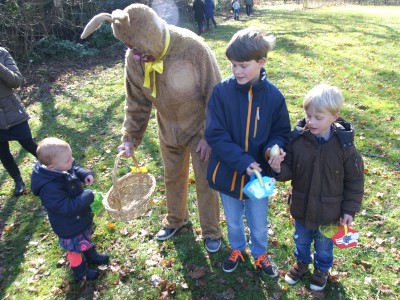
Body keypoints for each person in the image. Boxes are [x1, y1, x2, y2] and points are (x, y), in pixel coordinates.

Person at [80, 4, 222, 252]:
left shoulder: (193, 48)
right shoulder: (134, 59)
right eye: (128, 48)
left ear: (150, 36)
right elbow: (136, 101)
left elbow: (216, 94)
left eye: (136, 48)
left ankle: (211, 230)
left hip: (200, 130)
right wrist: (130, 137)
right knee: (172, 177)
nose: (134, 55)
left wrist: (211, 135)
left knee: (206, 182)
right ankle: (176, 219)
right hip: (168, 128)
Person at [205, 27, 291, 275]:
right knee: (233, 220)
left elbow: (281, 132)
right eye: (233, 65)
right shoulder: (221, 92)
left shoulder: (274, 97)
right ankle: (237, 248)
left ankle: (260, 253)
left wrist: (272, 152)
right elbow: (215, 134)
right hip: (227, 171)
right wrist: (242, 161)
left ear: (261, 62)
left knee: (259, 222)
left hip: (258, 178)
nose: (236, 71)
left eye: (243, 65)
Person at [268, 84, 364, 291]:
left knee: (324, 247)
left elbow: (355, 182)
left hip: (331, 212)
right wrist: (278, 169)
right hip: (302, 207)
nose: (311, 121)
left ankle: (322, 269)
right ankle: (302, 262)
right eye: (308, 115)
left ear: (334, 116)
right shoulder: (298, 141)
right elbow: (289, 172)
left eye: (318, 117)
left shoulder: (345, 148)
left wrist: (349, 210)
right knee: (301, 241)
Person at [31, 137, 109, 282]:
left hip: (78, 217)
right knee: (74, 249)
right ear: (51, 167)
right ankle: (81, 273)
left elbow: (73, 169)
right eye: (68, 159)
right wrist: (87, 197)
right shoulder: (49, 187)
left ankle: (92, 255)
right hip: (68, 225)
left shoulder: (60, 168)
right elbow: (65, 207)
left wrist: (84, 174)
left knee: (85, 237)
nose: (72, 160)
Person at [0, 47, 38, 196]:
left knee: (28, 143)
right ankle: (18, 181)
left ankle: (58, 167)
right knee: (3, 153)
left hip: (12, 111)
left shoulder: (2, 53)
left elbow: (16, 81)